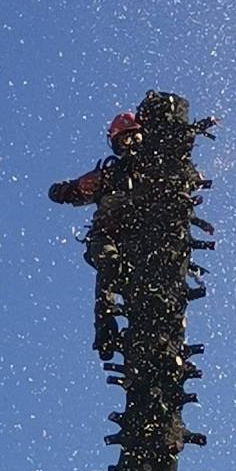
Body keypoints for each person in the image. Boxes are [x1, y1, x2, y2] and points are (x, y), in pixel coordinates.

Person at [48, 112, 143, 359]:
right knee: (109, 263)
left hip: (140, 241)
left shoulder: (158, 172)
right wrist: (67, 189)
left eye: (133, 137)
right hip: (107, 237)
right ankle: (105, 325)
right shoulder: (109, 175)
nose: (129, 144)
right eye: (124, 140)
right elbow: (68, 191)